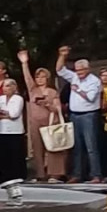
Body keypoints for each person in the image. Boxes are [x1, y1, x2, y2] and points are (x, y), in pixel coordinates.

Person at [55, 48, 105, 183]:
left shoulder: (94, 81)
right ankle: (77, 174)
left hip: (89, 115)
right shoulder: (75, 77)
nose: (79, 73)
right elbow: (59, 70)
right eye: (77, 70)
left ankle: (96, 174)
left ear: (87, 69)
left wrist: (78, 89)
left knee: (91, 146)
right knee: (76, 146)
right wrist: (62, 56)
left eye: (81, 70)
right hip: (74, 115)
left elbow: (90, 97)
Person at [17, 50, 67, 182]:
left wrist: (46, 103)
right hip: (35, 122)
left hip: (50, 122)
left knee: (53, 148)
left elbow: (57, 108)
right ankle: (40, 174)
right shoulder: (33, 90)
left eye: (42, 77)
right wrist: (24, 63)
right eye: (38, 77)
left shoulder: (52, 91)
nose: (39, 79)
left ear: (47, 78)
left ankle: (54, 174)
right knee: (37, 149)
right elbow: (27, 77)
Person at [0, 77, 27, 182]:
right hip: (1, 130)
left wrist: (4, 113)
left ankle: (17, 175)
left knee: (15, 154)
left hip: (15, 130)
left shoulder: (18, 99)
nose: (4, 88)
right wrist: (5, 114)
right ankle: (3, 176)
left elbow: (14, 114)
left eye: (7, 86)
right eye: (3, 86)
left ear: (14, 87)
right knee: (2, 154)